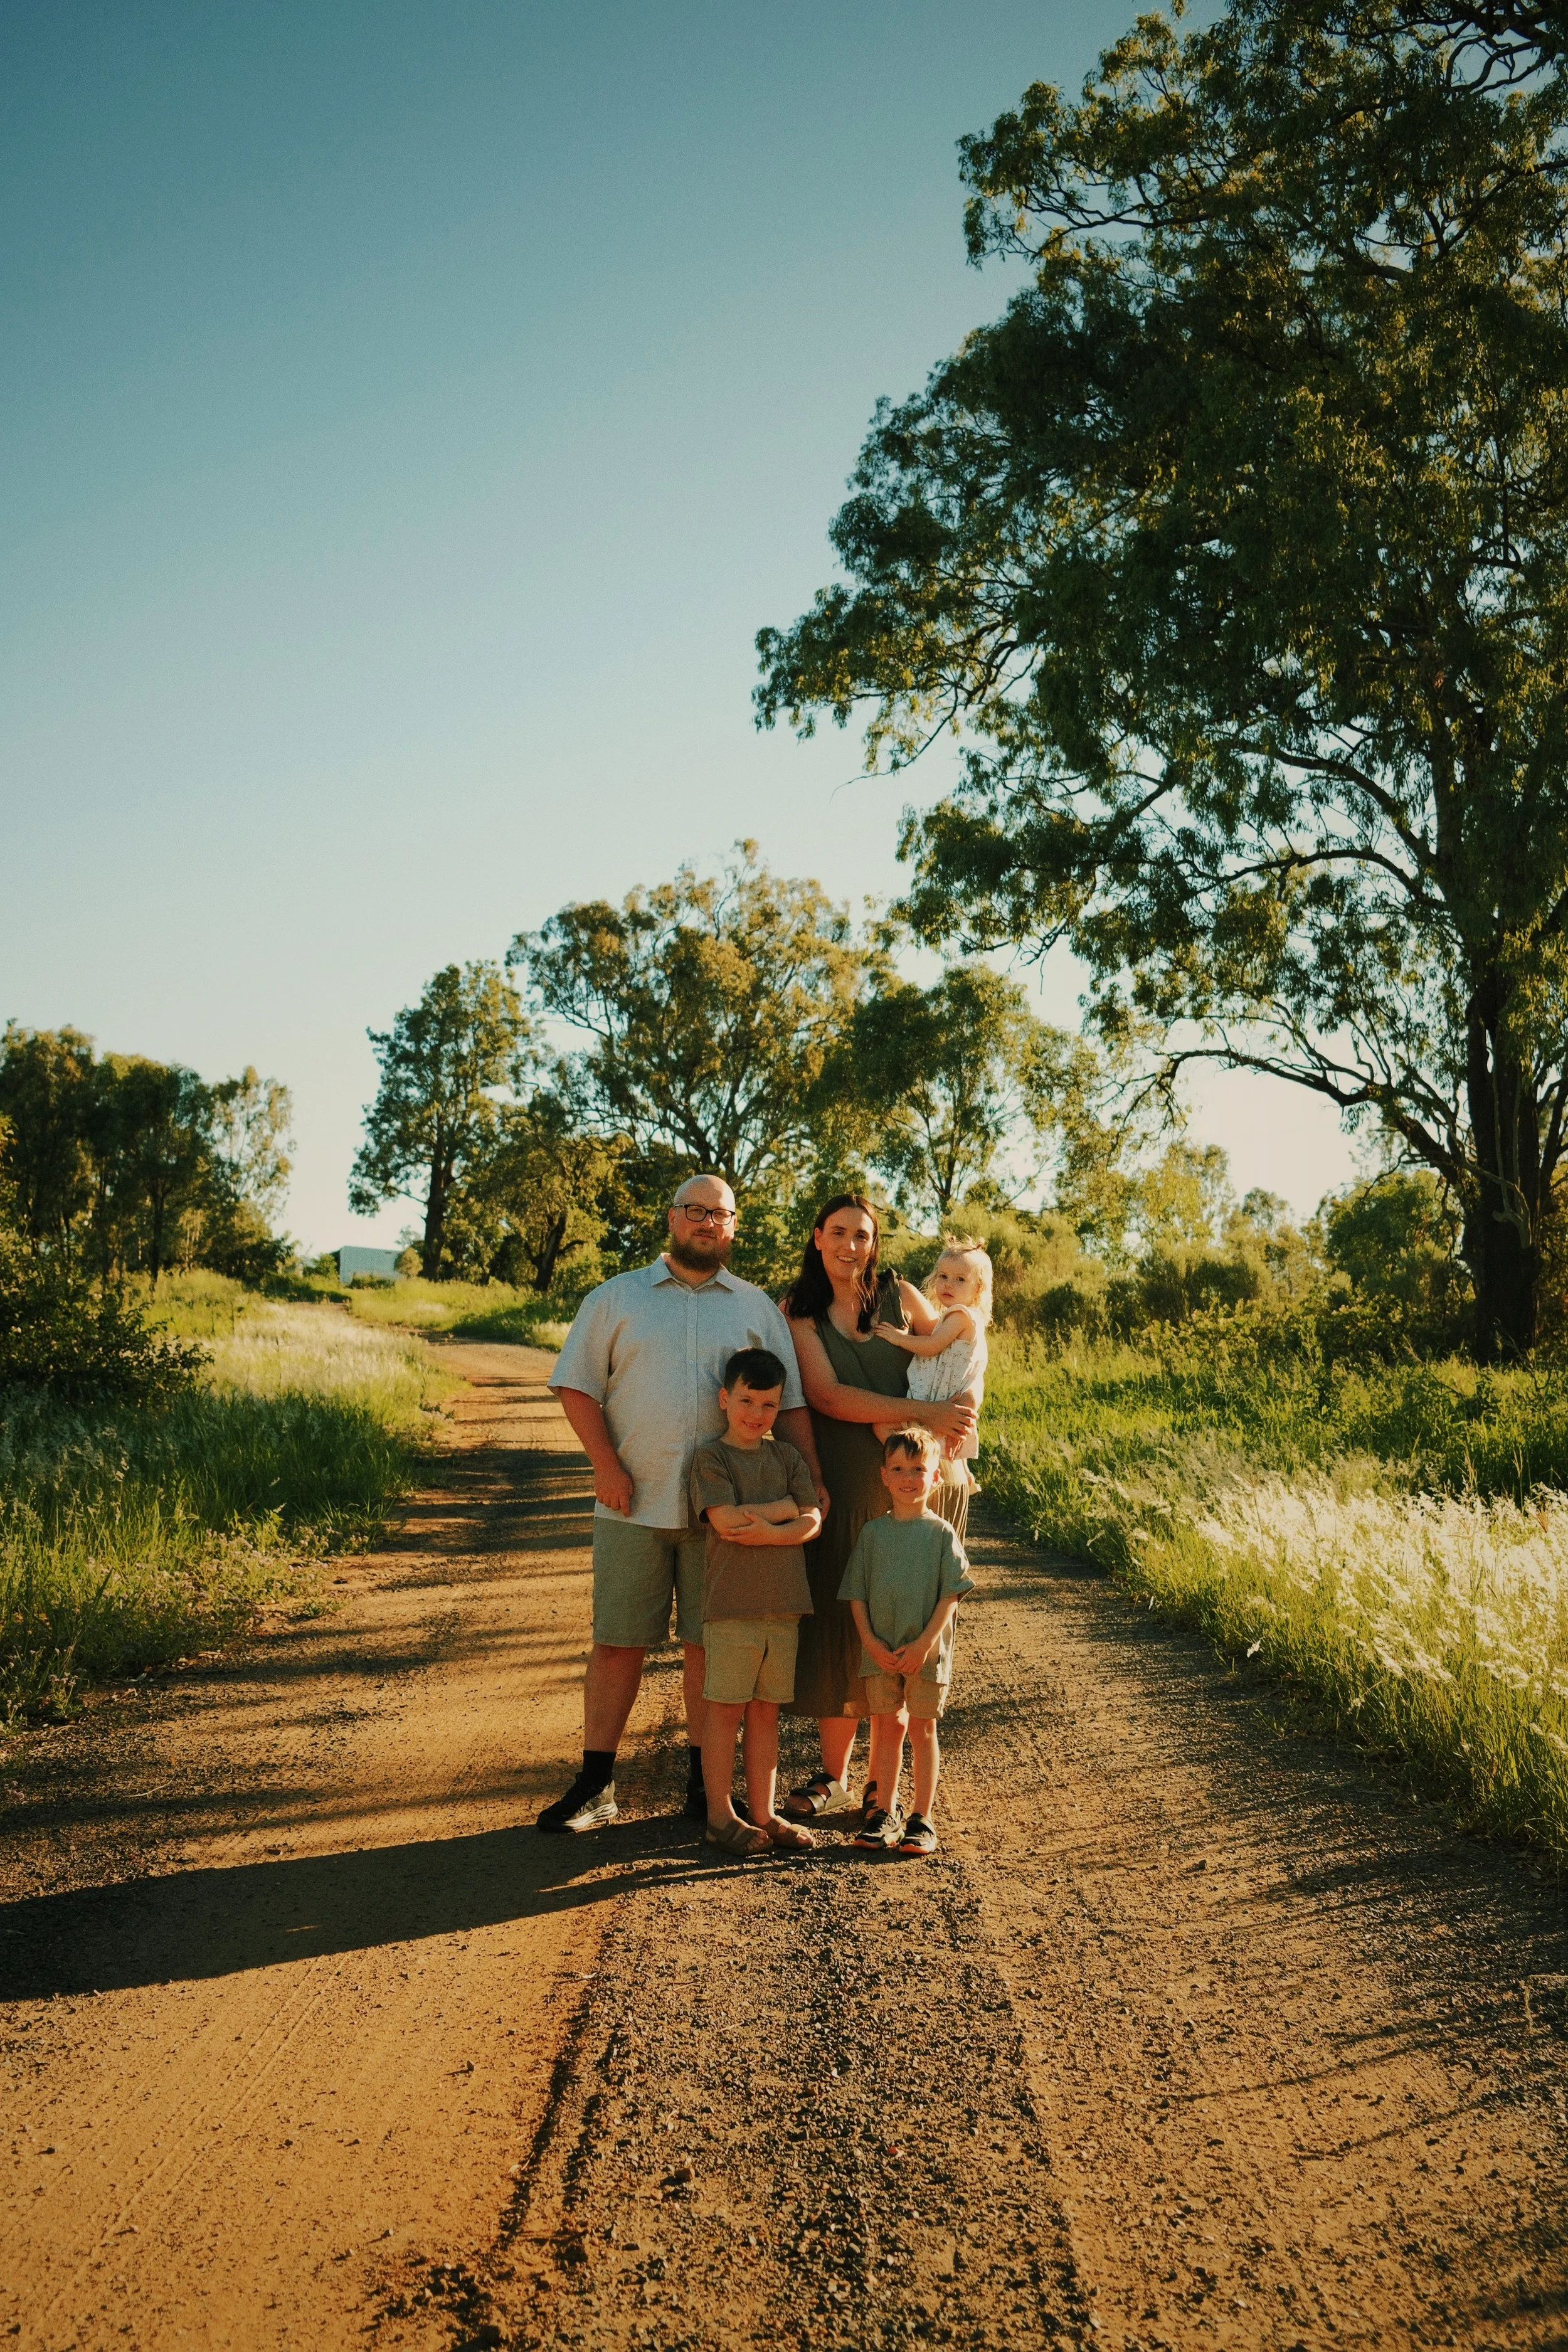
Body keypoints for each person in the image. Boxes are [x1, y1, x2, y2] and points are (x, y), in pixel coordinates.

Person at [538, 1173, 825, 1834]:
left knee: (709, 1649)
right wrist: (605, 1466)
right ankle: (595, 1785)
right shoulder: (616, 1298)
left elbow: (794, 1402)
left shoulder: (755, 1308)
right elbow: (575, 1386)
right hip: (630, 1504)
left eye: (718, 1215)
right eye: (694, 1211)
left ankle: (706, 1790)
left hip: (728, 1521)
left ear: (732, 1227)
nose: (705, 1223)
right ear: (672, 1219)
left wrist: (810, 1481)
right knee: (617, 1643)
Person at [778, 1194, 976, 1826]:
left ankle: (881, 1786)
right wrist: (924, 1414)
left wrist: (955, 1415)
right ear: (817, 1237)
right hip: (846, 1474)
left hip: (918, 1478)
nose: (850, 1245)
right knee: (845, 1618)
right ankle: (833, 1775)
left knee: (908, 1618)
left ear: (874, 1242)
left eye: (862, 1235)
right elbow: (828, 1396)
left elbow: (954, 1349)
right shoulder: (800, 1312)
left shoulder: (898, 1296)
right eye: (838, 1233)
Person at [687, 1347, 822, 1857]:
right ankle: (720, 1817)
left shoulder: (786, 1457)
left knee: (766, 1714)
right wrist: (783, 1512)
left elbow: (812, 1520)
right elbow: (726, 1523)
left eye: (768, 1406)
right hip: (731, 1608)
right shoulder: (711, 1458)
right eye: (746, 1401)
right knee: (723, 1712)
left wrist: (779, 1522)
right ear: (725, 1399)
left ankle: (763, 1815)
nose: (756, 1415)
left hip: (784, 1607)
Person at [839, 1425, 974, 1857]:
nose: (908, 1477)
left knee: (921, 1727)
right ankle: (883, 1812)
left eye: (918, 1468)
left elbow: (951, 1595)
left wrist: (922, 1647)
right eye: (898, 1468)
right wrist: (872, 1644)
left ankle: (922, 1818)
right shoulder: (873, 1534)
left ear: (936, 1477)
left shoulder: (940, 1535)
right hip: (880, 1650)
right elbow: (856, 1595)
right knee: (887, 1727)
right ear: (884, 1475)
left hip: (925, 1656)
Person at [872, 1238, 992, 1542]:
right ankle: (948, 1472)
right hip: (943, 1393)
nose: (948, 1285)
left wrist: (899, 1338)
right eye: (943, 1277)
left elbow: (931, 1347)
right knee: (933, 1445)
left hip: (935, 1398)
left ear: (978, 1289)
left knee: (882, 1426)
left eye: (960, 1279)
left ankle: (905, 1473)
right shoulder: (961, 1318)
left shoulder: (960, 1316)